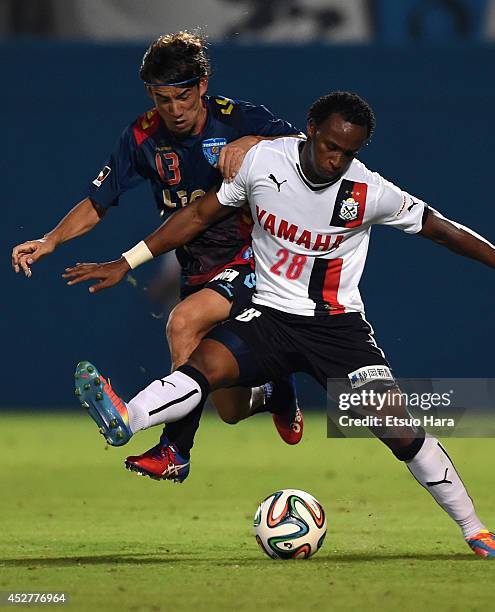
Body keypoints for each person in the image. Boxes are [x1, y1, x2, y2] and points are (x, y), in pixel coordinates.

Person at [64, 92, 495, 558]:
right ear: (310, 129)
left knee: (399, 429)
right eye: (329, 146)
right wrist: (126, 261)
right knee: (205, 366)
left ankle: (475, 529)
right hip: (269, 317)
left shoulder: (368, 190)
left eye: (348, 152)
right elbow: (198, 214)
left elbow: (441, 229)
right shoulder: (265, 162)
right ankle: (126, 420)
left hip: (338, 332)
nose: (336, 159)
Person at [10, 31, 305, 484]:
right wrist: (51, 239)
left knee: (182, 322)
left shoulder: (237, 119)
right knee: (227, 406)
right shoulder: (141, 137)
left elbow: (310, 149)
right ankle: (276, 393)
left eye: (183, 96)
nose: (175, 109)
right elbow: (98, 201)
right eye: (163, 99)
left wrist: (254, 144)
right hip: (197, 268)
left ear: (202, 85)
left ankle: (174, 450)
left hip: (256, 262)